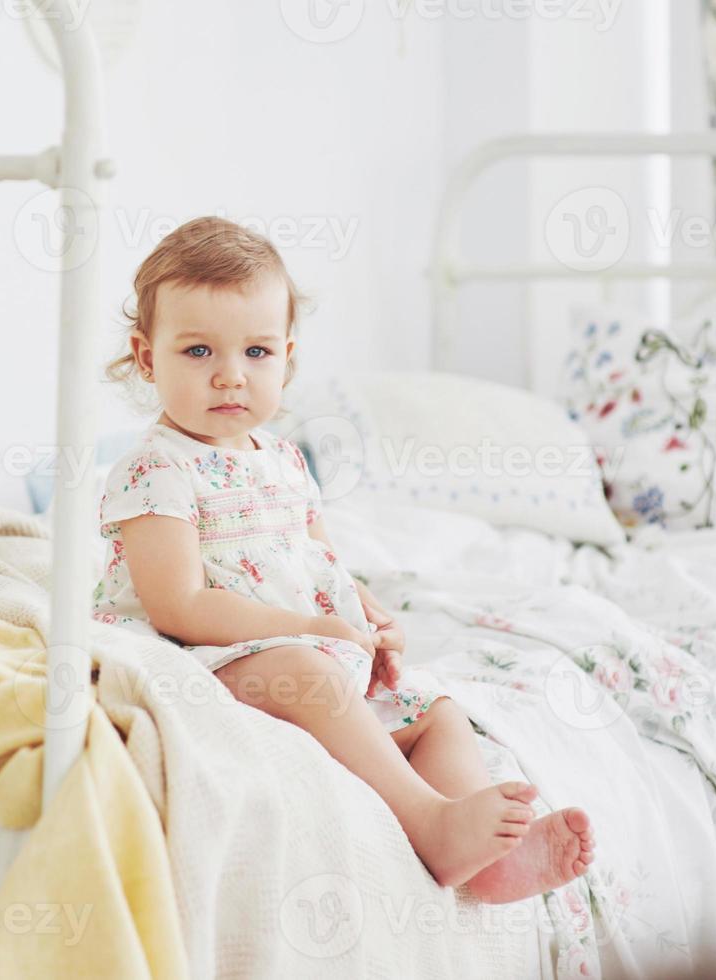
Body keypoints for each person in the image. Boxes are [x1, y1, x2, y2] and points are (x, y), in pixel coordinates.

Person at [92, 216, 594, 903]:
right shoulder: (157, 468)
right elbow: (179, 605)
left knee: (434, 709)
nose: (231, 376)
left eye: (258, 353)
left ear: (287, 356)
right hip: (205, 658)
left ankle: (486, 859)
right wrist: (315, 635)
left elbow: (322, 564)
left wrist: (366, 617)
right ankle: (431, 823)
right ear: (148, 358)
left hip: (302, 648)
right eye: (199, 351)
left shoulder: (287, 462)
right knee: (309, 673)